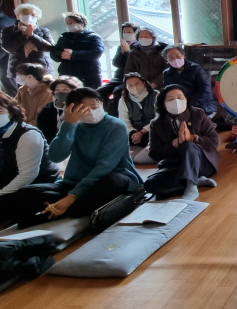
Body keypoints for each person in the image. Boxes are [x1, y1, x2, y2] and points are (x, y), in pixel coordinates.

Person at [0, 88, 143, 229]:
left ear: (100, 103)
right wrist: (68, 125)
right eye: (83, 109)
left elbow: (105, 166)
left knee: (111, 181)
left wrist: (72, 196)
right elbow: (56, 156)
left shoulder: (116, 126)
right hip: (74, 182)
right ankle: (71, 207)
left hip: (108, 180)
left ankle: (61, 210)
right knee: (26, 193)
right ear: (71, 110)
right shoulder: (74, 126)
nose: (91, 111)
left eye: (94, 106)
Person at [145, 85, 220, 200]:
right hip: (175, 166)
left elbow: (215, 141)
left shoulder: (198, 114)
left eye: (180, 98)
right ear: (163, 104)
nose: (176, 101)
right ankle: (196, 180)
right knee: (150, 185)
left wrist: (192, 138)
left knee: (188, 146)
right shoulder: (156, 123)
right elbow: (154, 153)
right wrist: (174, 143)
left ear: (186, 99)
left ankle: (191, 185)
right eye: (170, 99)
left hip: (201, 163)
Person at [0, 94, 59, 216]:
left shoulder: (28, 135)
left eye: (0, 111)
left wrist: (1, 193)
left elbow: (27, 175)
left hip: (35, 186)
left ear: (11, 111)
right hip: (9, 182)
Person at [49, 12, 105, 89]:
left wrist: (73, 54)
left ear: (81, 23)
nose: (69, 25)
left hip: (88, 75)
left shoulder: (93, 36)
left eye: (71, 23)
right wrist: (61, 55)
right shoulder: (64, 36)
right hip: (67, 75)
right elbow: (54, 52)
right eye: (67, 23)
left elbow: (97, 52)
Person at [0, 3, 54, 82]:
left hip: (42, 68)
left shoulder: (44, 31)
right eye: (25, 14)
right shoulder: (8, 31)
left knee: (43, 89)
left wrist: (32, 36)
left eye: (33, 15)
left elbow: (49, 47)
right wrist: (25, 36)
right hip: (18, 69)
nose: (29, 17)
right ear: (18, 15)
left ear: (37, 17)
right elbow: (8, 48)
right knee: (23, 89)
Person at [162, 45, 216, 117]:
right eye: (171, 57)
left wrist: (189, 104)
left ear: (184, 55)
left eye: (178, 56)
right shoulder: (167, 73)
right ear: (167, 60)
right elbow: (168, 92)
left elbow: (205, 90)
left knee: (196, 120)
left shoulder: (196, 68)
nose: (175, 59)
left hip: (203, 104)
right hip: (180, 106)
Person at [97, 22, 138, 112]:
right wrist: (122, 52)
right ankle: (104, 112)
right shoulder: (121, 46)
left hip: (130, 77)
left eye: (129, 32)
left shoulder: (138, 47)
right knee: (99, 92)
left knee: (118, 92)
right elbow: (116, 63)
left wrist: (128, 52)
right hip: (118, 77)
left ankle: (116, 115)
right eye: (125, 32)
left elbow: (135, 64)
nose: (127, 34)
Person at [118, 73, 158, 163]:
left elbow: (158, 117)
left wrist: (142, 132)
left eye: (137, 83)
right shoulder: (123, 100)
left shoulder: (156, 95)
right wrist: (133, 132)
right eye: (130, 85)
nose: (134, 87)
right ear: (126, 87)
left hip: (151, 128)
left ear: (144, 83)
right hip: (135, 130)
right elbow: (124, 120)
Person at [36, 75, 83, 143]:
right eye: (57, 90)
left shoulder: (82, 107)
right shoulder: (49, 108)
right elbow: (43, 130)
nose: (60, 92)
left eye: (65, 90)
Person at [0, 0, 17, 96]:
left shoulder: (2, 23)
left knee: (13, 96)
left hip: (6, 65)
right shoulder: (9, 19)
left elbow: (2, 47)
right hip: (9, 63)